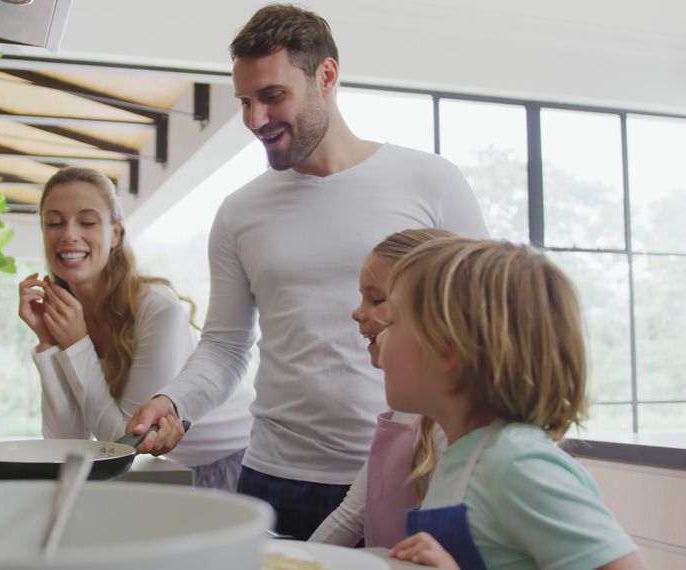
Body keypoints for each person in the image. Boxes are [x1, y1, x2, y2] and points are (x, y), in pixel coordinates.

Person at [128, 4, 489, 539]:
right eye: (246, 102)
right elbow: (227, 346)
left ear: (326, 76)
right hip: (274, 476)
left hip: (407, 471)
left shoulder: (430, 182)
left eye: (273, 97)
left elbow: (482, 333)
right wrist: (174, 399)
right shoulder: (240, 211)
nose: (254, 120)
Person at [380, 238, 643, 569]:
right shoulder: (461, 457)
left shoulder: (516, 464)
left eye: (390, 322)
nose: (380, 337)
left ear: (447, 350)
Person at [19, 166, 254, 491]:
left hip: (235, 465)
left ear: (115, 234)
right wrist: (48, 346)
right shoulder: (67, 315)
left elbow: (122, 445)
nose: (69, 234)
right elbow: (67, 442)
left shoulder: (158, 308)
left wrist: (76, 344)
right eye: (54, 223)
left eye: (87, 222)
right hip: (168, 472)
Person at [309, 229, 453, 549]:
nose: (356, 312)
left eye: (377, 300)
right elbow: (352, 514)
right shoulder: (404, 406)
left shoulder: (451, 429)